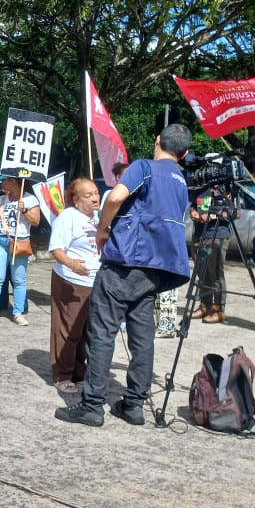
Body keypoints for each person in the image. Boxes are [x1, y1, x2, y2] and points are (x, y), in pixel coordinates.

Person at [56, 124, 192, 428]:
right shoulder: (181, 181)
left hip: (126, 261)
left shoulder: (144, 167)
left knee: (102, 333)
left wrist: (103, 228)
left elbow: (116, 197)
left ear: (157, 140)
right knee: (143, 336)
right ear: (184, 153)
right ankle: (133, 404)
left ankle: (92, 405)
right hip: (157, 268)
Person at [48, 178, 102, 392]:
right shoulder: (68, 217)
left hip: (95, 282)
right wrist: (72, 264)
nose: (95, 198)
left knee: (87, 331)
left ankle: (79, 371)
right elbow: (56, 249)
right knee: (68, 330)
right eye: (88, 195)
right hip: (71, 281)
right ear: (76, 200)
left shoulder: (98, 217)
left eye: (96, 193)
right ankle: (62, 374)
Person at [0, 176, 42, 326]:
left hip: (19, 241)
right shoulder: (1, 200)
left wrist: (25, 210)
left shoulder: (30, 200)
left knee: (19, 280)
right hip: (0, 240)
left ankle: (18, 313)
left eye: (5, 180)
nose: (2, 183)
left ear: (14, 182)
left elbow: (36, 221)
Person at [188, 179, 241, 324]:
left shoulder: (227, 187)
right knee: (201, 272)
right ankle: (205, 305)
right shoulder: (201, 184)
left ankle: (219, 310)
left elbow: (237, 213)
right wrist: (193, 212)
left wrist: (211, 216)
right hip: (199, 234)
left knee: (216, 274)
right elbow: (193, 205)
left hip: (217, 234)